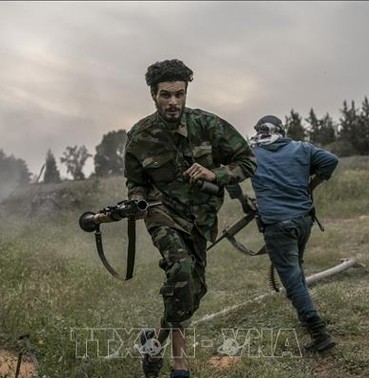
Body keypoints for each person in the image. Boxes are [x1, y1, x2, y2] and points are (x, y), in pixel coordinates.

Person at [124, 59, 257, 377]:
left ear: (186, 93)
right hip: (162, 214)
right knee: (181, 273)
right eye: (165, 95)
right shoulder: (140, 136)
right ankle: (179, 366)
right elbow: (136, 182)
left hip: (201, 220)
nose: (173, 102)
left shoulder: (208, 126)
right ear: (153, 95)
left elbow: (248, 161)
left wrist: (216, 172)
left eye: (179, 94)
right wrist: (138, 202)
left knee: (193, 293)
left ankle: (153, 342)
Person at [249, 115, 338, 354]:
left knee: (290, 276)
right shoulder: (301, 147)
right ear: (282, 130)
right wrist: (311, 185)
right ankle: (304, 313)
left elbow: (229, 175)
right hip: (303, 220)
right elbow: (330, 160)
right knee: (295, 268)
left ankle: (319, 333)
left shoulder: (252, 153)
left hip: (278, 224)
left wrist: (240, 199)